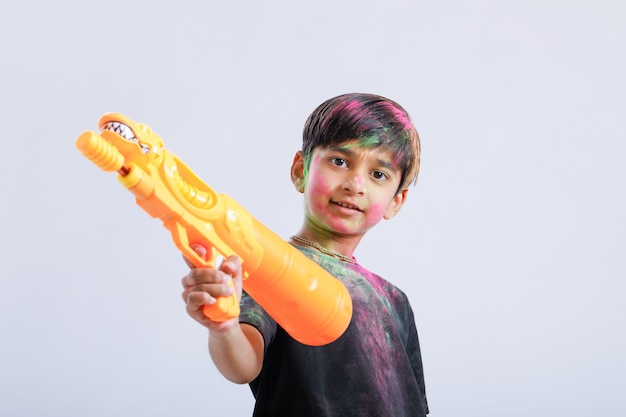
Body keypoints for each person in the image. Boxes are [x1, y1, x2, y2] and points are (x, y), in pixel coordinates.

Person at [181, 93, 429, 416]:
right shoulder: (274, 267)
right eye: (340, 161)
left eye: (378, 175)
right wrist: (224, 326)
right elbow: (244, 364)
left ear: (396, 200)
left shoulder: (396, 300)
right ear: (301, 169)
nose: (355, 184)